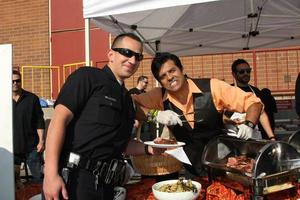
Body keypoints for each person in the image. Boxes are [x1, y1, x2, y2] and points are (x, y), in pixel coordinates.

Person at [43, 33, 163, 200]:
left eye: (138, 56)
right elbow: (58, 121)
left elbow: (121, 144)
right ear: (111, 55)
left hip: (105, 185)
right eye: (127, 53)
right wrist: (50, 174)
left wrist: (149, 148)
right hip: (74, 179)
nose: (133, 60)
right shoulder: (87, 77)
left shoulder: (127, 99)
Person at [133, 52, 263, 179]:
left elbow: (253, 102)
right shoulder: (159, 95)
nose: (169, 77)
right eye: (162, 76)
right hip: (192, 171)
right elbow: (129, 104)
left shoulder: (212, 86)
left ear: (181, 69)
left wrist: (249, 124)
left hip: (223, 167)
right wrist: (154, 114)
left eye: (172, 71)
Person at [226, 58, 276, 140]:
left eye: (248, 71)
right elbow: (222, 114)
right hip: (233, 137)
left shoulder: (257, 92)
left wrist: (271, 137)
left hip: (254, 138)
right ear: (234, 74)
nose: (246, 73)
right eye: (242, 72)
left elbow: (262, 114)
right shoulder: (228, 91)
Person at [12, 70, 45, 185]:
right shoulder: (3, 100)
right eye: (12, 81)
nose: (15, 83)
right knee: (11, 181)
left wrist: (41, 141)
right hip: (12, 149)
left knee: (39, 179)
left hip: (32, 147)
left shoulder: (32, 99)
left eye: (18, 81)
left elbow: (39, 121)